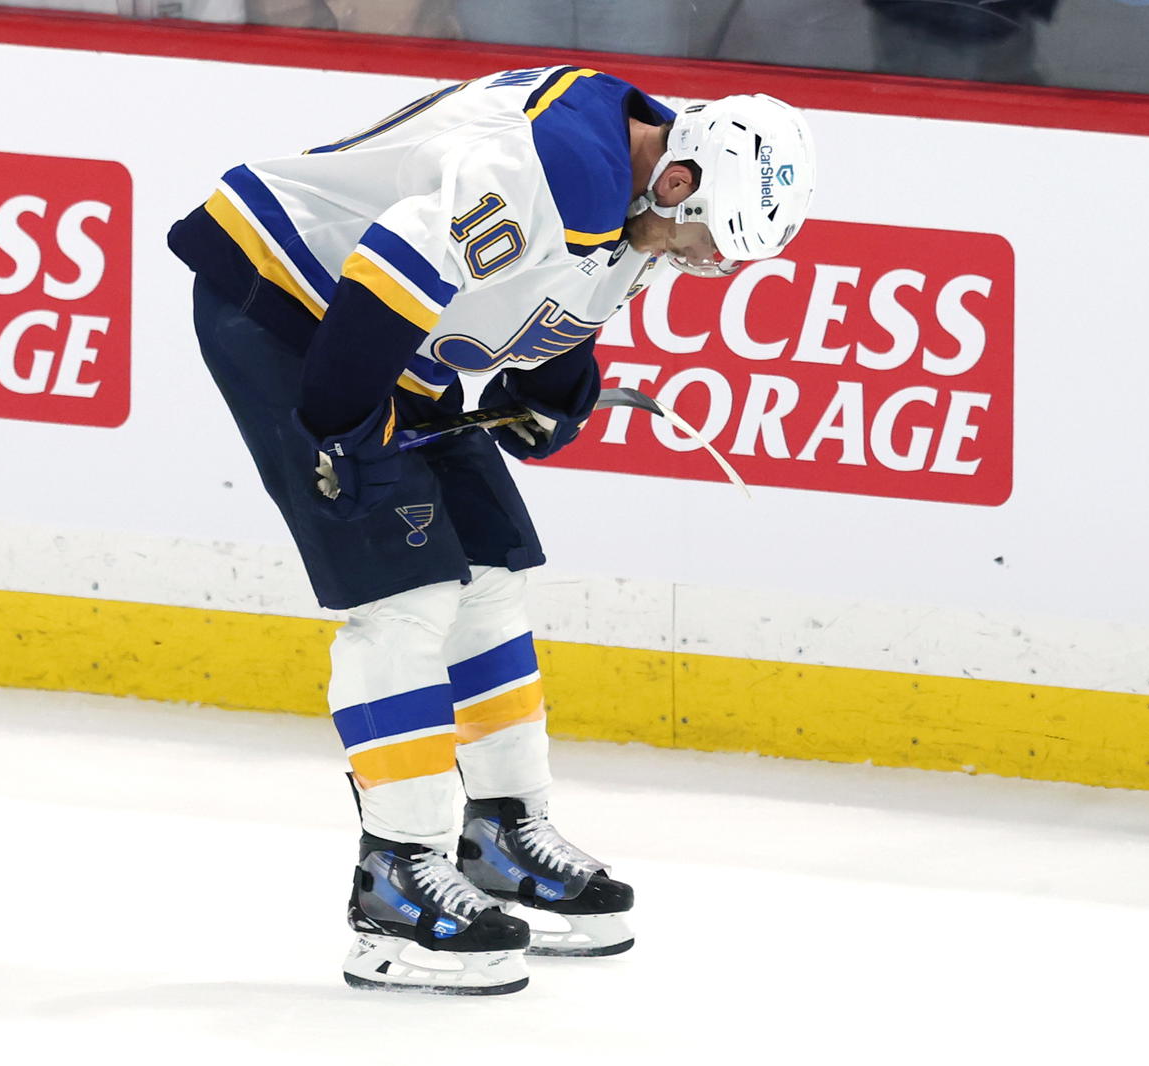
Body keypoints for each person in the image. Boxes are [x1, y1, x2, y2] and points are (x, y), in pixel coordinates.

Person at [167, 66, 816, 995]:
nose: (700, 260)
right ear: (678, 182)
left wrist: (550, 397)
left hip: (386, 329)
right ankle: (396, 880)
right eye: (704, 241)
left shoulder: (643, 185)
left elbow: (557, 305)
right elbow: (395, 260)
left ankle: (501, 832)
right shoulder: (547, 168)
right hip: (287, 302)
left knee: (489, 572)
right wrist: (344, 426)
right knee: (404, 595)